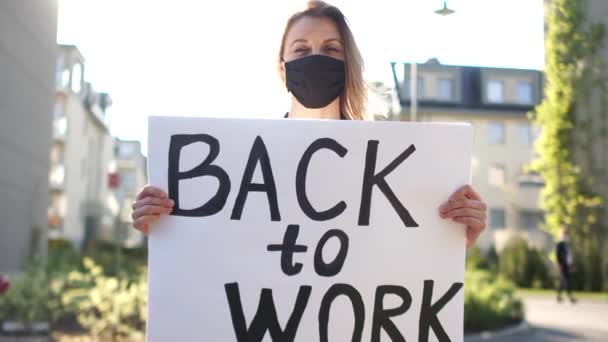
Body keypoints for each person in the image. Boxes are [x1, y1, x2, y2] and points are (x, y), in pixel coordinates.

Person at [131, 1, 488, 247]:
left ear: (348, 63)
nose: (315, 58)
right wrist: (167, 228)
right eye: (301, 50)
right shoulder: (240, 165)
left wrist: (452, 237)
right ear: (282, 67)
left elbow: (404, 255)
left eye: (331, 49)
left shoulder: (389, 166)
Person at [556, 228, 577, 303]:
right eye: (565, 234)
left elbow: (569, 256)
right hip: (563, 265)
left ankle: (558, 296)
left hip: (568, 265)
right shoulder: (560, 244)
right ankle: (571, 297)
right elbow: (558, 255)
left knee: (563, 281)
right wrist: (559, 265)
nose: (566, 236)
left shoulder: (567, 245)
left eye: (567, 234)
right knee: (567, 280)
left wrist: (572, 265)